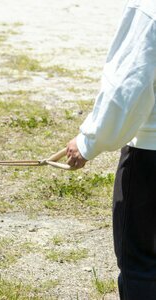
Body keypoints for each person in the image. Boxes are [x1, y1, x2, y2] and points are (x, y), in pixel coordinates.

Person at [65, 0, 156, 298]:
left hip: (150, 156)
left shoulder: (149, 10)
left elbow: (128, 85)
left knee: (139, 262)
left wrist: (88, 141)